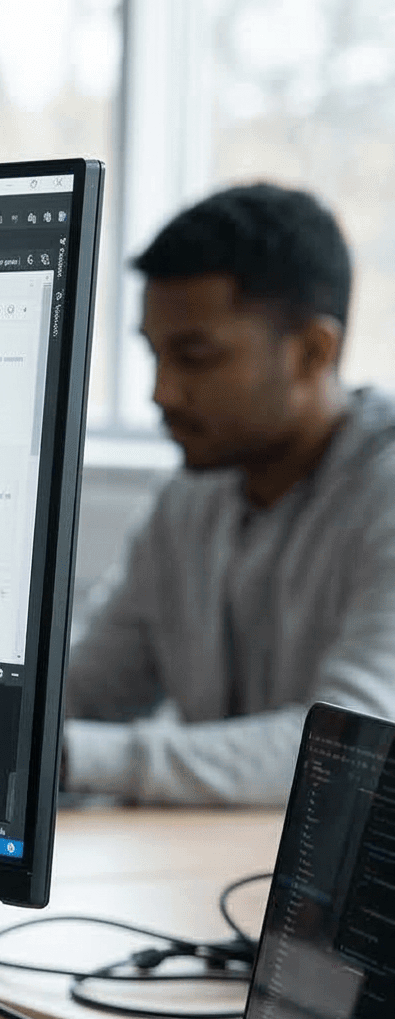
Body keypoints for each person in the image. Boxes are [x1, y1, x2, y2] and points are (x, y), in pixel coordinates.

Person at [65, 183, 395, 804]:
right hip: (219, 856)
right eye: (155, 354)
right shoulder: (188, 500)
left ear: (313, 352)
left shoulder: (384, 493)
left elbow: (350, 756)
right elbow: (88, 690)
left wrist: (72, 757)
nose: (161, 392)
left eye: (195, 356)